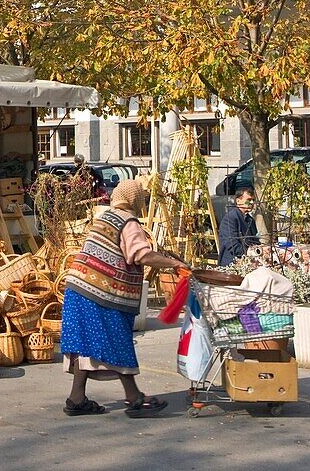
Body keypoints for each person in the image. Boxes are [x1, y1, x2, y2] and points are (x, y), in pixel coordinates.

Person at [60, 178, 189, 418]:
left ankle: (77, 398)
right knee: (117, 339)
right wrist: (174, 263)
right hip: (100, 292)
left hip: (78, 288)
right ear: (135, 200)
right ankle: (135, 397)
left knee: (85, 344)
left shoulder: (105, 218)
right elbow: (140, 255)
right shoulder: (128, 222)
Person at [218, 188, 260, 266]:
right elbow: (232, 245)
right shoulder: (230, 218)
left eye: (253, 200)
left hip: (248, 262)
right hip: (232, 264)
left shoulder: (250, 220)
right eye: (248, 200)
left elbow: (255, 241)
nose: (251, 202)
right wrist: (249, 252)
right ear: (238, 201)